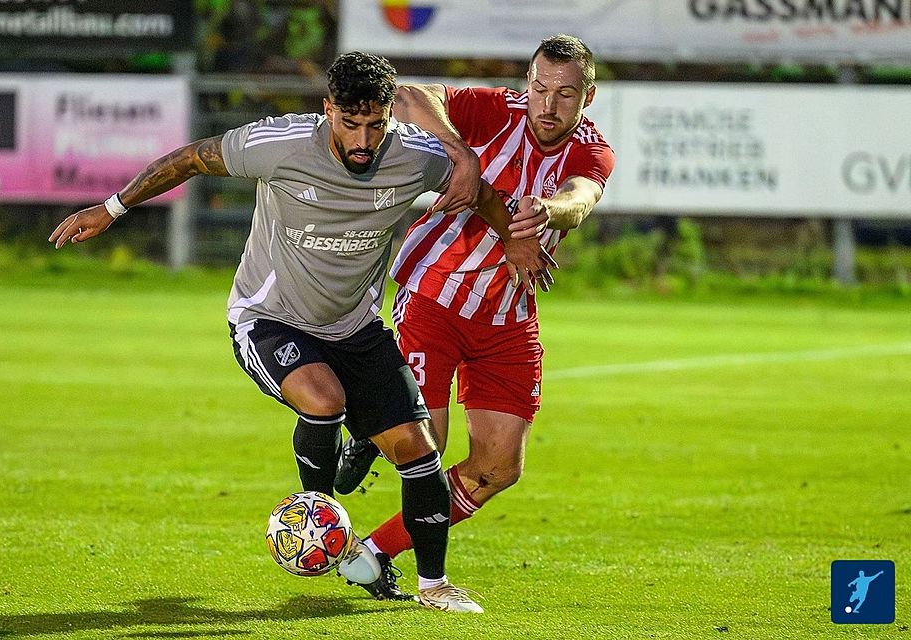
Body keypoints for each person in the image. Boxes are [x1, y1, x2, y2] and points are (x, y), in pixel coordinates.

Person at [48, 51, 553, 614]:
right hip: (269, 318)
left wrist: (514, 236)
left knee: (419, 452)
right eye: (350, 122)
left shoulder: (415, 157)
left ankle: (433, 584)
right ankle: (317, 512)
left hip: (356, 326)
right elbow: (191, 158)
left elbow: (480, 194)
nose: (364, 140)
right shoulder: (280, 144)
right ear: (327, 109)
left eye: (377, 124)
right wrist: (113, 208)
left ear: (391, 117)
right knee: (323, 398)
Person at [334, 35, 616, 593]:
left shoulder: (592, 149)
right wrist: (458, 151)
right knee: (424, 450)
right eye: (539, 87)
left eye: (564, 93)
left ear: (588, 95)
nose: (548, 104)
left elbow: (581, 199)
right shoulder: (495, 109)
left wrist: (542, 214)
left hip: (508, 319)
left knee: (498, 467)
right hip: (434, 297)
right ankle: (372, 424)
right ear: (527, 84)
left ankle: (371, 552)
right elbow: (411, 94)